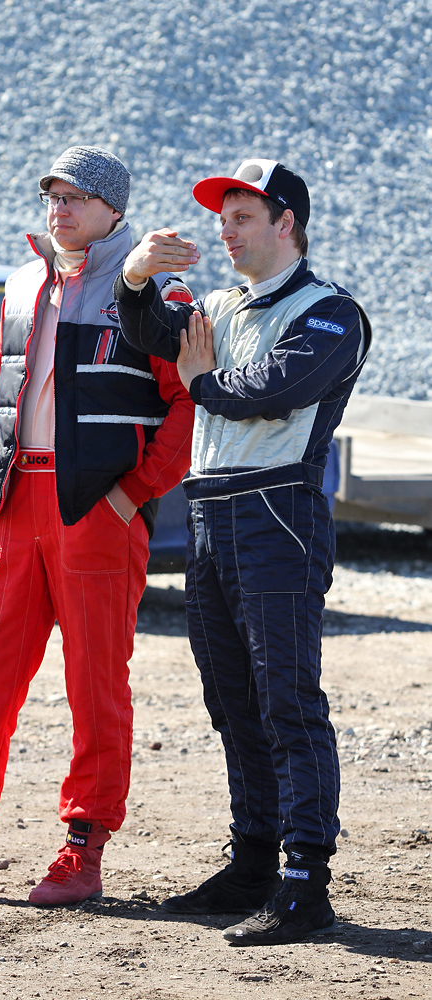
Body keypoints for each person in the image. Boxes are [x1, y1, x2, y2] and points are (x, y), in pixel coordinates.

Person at [0, 146, 194, 907]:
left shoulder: (160, 290)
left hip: (97, 511)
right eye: (52, 195)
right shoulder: (23, 282)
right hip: (15, 504)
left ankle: (82, 853)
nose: (59, 208)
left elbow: (188, 402)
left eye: (76, 197)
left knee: (95, 685)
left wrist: (131, 496)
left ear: (113, 210)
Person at [114, 158, 371, 944]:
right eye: (221, 219)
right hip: (209, 513)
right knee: (230, 701)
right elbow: (150, 333)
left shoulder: (330, 312)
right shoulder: (218, 304)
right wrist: (133, 277)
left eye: (242, 218)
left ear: (285, 222)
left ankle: (305, 884)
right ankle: (253, 863)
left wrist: (199, 384)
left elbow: (272, 389)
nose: (224, 232)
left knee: (286, 700)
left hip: (276, 513)